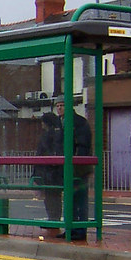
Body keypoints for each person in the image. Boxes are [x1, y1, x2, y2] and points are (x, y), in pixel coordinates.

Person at [53, 99, 93, 241]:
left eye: (62, 105)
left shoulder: (80, 122)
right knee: (69, 199)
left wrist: (76, 163)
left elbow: (83, 145)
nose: (59, 108)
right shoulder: (58, 123)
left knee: (80, 200)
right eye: (57, 106)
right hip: (64, 167)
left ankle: (80, 230)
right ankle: (69, 228)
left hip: (79, 168)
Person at [34, 111, 63, 223]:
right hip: (56, 172)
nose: (41, 124)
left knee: (51, 198)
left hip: (49, 172)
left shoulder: (47, 136)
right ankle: (54, 219)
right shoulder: (59, 134)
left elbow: (41, 154)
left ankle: (53, 219)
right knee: (55, 197)